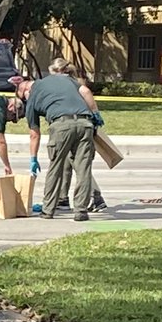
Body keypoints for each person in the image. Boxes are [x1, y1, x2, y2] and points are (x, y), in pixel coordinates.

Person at [13, 71, 96, 221]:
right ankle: (81, 211)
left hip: (61, 126)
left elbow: (34, 134)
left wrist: (33, 159)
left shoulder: (32, 98)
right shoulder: (62, 79)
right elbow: (85, 91)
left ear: (25, 91)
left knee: (55, 168)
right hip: (86, 123)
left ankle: (48, 210)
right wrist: (95, 113)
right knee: (84, 169)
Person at [49, 58, 107, 212]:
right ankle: (63, 198)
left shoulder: (71, 83)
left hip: (78, 127)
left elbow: (86, 92)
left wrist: (95, 115)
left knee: (79, 165)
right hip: (78, 125)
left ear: (59, 72)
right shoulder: (72, 83)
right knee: (67, 164)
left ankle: (96, 196)